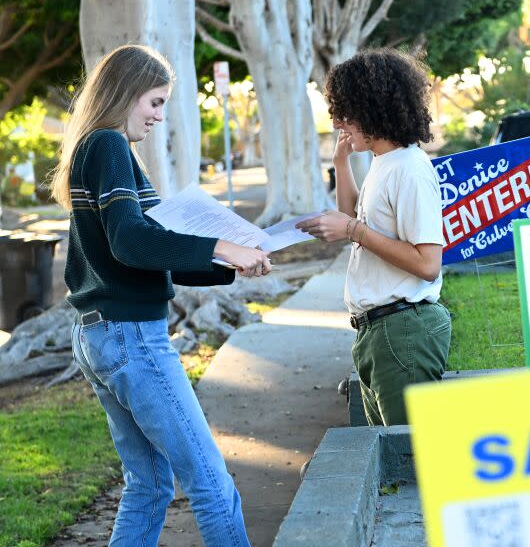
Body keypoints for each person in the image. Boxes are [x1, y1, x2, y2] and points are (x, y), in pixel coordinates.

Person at [49, 44, 268, 547]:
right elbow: (131, 242)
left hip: (101, 333)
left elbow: (149, 251)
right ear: (124, 93)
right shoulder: (107, 146)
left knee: (149, 487)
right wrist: (220, 244)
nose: (159, 116)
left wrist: (230, 262)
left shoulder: (95, 148)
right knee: (212, 483)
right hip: (131, 338)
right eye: (154, 101)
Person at [297, 48, 451, 426]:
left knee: (408, 459)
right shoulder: (385, 163)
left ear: (372, 107)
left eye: (343, 112)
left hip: (402, 331)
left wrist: (352, 230)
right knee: (387, 459)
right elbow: (353, 221)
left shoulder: (409, 169)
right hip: (378, 332)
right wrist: (340, 165)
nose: (337, 123)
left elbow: (427, 264)